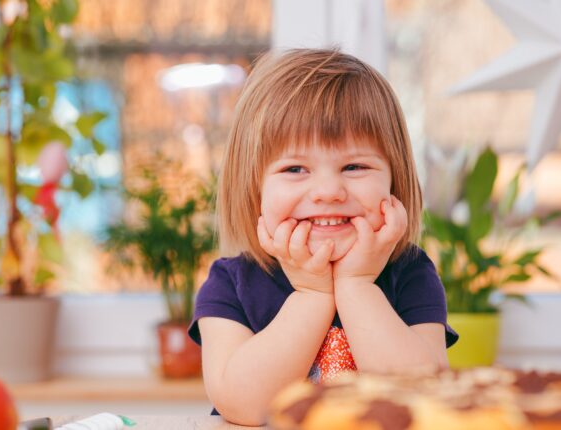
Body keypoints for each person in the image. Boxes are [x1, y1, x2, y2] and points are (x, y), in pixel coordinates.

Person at [187, 48, 459, 426]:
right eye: (295, 168)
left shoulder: (410, 273)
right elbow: (242, 405)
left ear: (394, 181)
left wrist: (357, 286)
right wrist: (312, 294)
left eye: (355, 166)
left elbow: (421, 399)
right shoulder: (230, 283)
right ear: (254, 189)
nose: (328, 191)